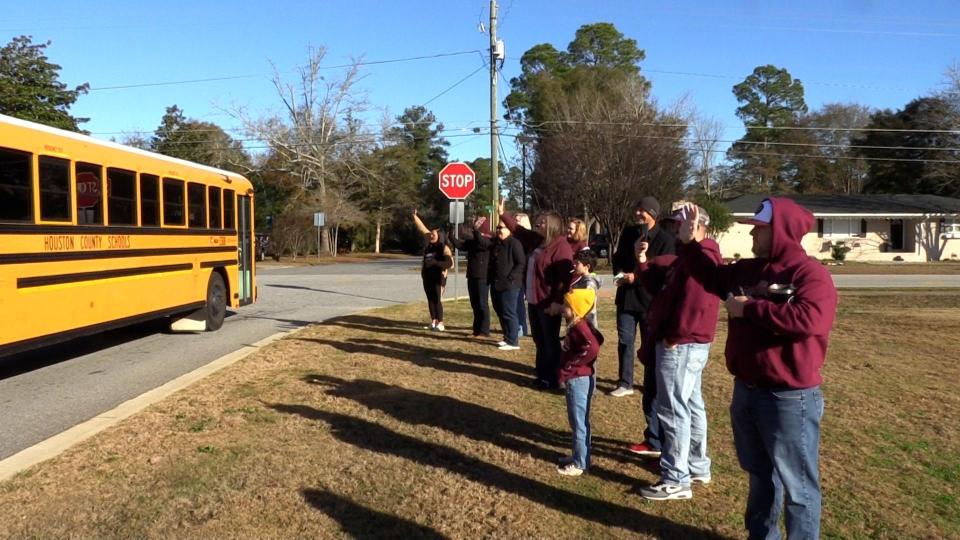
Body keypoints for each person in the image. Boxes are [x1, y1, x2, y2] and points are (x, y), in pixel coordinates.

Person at [677, 198, 838, 538]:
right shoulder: (748, 270)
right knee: (760, 474)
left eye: (761, 228)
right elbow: (711, 276)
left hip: (789, 399)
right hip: (747, 391)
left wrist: (750, 310)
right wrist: (691, 244)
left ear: (781, 232)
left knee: (799, 486)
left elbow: (812, 319)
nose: (753, 231)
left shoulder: (810, 274)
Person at [635, 206, 721, 501]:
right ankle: (697, 466)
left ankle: (676, 479)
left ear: (699, 227)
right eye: (674, 226)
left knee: (672, 410)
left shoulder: (703, 256)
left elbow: (696, 303)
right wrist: (642, 261)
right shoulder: (686, 259)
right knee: (691, 404)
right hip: (687, 344)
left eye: (682, 226)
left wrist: (674, 337)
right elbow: (659, 288)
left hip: (682, 344)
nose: (675, 231)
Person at [612, 197, 674, 458]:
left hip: (648, 302)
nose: (637, 214)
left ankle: (658, 439)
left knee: (650, 357)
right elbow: (617, 258)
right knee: (625, 341)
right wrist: (622, 273)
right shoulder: (629, 233)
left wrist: (638, 274)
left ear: (653, 215)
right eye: (636, 210)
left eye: (643, 211)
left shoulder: (665, 239)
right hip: (626, 298)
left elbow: (663, 269)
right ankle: (625, 381)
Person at [499, 200, 574, 390]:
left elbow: (565, 280)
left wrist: (557, 302)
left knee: (550, 342)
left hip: (548, 303)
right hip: (534, 301)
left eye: (541, 222)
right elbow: (519, 230)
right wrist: (503, 214)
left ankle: (556, 379)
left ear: (552, 226)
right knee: (539, 341)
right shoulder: (537, 241)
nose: (537, 224)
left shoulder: (561, 246)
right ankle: (542, 376)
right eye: (538, 221)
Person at [556, 288, 604, 476]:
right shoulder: (575, 325)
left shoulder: (580, 327)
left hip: (579, 380)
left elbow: (592, 347)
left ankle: (580, 463)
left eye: (566, 306)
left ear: (575, 309)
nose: (562, 308)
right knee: (576, 420)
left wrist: (572, 366)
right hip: (575, 378)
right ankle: (579, 455)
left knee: (579, 421)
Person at [449, 216, 492, 338]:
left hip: (483, 276)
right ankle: (476, 330)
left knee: (482, 304)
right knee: (474, 304)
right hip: (472, 275)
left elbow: (481, 243)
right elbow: (461, 246)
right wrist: (451, 236)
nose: (476, 223)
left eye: (479, 223)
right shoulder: (473, 240)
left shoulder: (488, 240)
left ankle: (484, 331)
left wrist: (476, 230)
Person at [412, 209, 454, 331]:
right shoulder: (428, 243)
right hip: (427, 277)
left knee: (437, 300)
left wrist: (436, 263)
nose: (431, 235)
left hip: (438, 278)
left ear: (439, 236)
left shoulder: (443, 247)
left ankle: (441, 322)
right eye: (430, 234)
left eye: (434, 234)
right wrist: (415, 217)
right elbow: (422, 228)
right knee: (430, 299)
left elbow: (449, 263)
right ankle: (434, 321)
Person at [487, 220, 526, 351]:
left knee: (509, 312)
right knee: (500, 311)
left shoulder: (514, 243)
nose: (499, 230)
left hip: (510, 285)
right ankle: (507, 337)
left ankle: (513, 341)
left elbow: (521, 263)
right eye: (497, 228)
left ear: (509, 229)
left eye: (501, 228)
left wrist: (511, 278)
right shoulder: (497, 244)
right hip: (497, 284)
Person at [570, 249, 602, 330]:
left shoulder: (590, 283)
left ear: (587, 267)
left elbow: (585, 304)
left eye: (577, 263)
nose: (575, 265)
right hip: (579, 323)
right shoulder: (582, 279)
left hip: (587, 325)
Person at [513, 212, 532, 339]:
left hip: (526, 274)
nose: (514, 223)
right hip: (518, 274)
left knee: (521, 301)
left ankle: (522, 326)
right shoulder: (514, 237)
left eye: (517, 221)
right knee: (516, 301)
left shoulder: (528, 239)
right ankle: (520, 326)